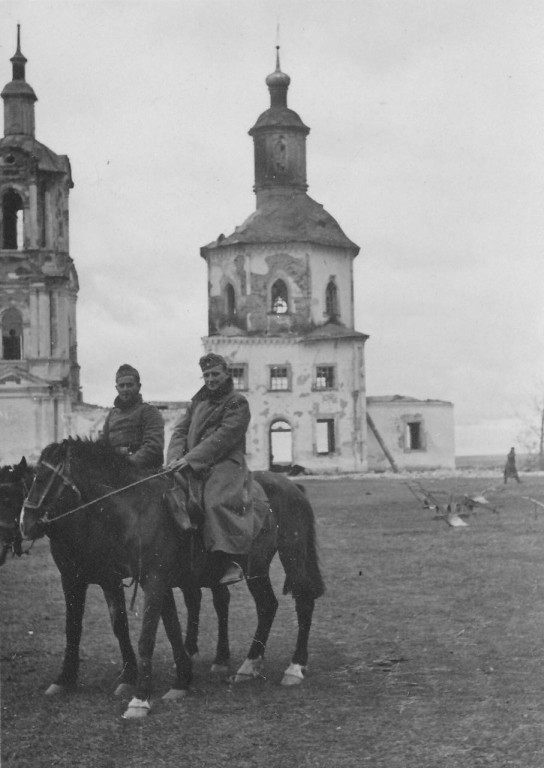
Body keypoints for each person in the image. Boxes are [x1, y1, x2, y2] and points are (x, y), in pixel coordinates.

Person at [166, 353, 253, 585]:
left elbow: (225, 437)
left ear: (226, 374)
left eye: (215, 374)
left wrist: (192, 458)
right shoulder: (197, 402)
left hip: (225, 462)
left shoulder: (237, 401)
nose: (211, 379)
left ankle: (230, 560)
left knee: (214, 501)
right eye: (206, 375)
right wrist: (174, 459)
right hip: (192, 462)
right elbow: (180, 432)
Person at [102, 364, 165, 470]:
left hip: (142, 473)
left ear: (138, 387)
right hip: (115, 471)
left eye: (130, 385)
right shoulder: (112, 415)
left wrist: (126, 465)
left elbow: (153, 447)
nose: (125, 389)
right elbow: (102, 445)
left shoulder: (149, 411)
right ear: (116, 388)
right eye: (121, 386)